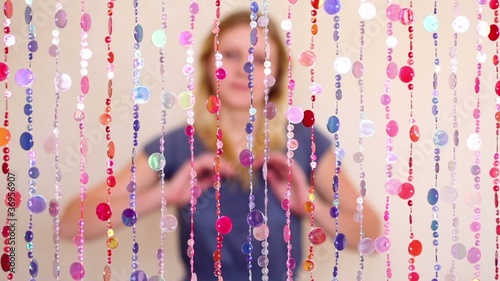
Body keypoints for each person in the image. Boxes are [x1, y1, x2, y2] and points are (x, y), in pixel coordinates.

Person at [60, 10, 381, 281]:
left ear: (277, 75)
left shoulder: (304, 142)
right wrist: (165, 195)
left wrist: (310, 205)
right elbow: (72, 224)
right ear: (207, 64)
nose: (244, 70)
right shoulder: (176, 146)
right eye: (230, 55)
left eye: (258, 60)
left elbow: (371, 235)